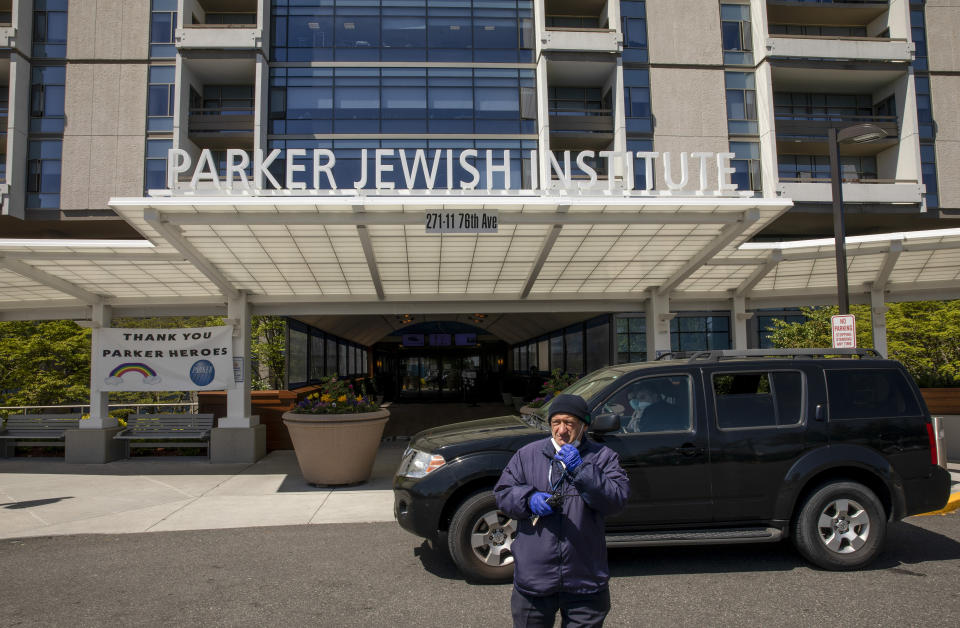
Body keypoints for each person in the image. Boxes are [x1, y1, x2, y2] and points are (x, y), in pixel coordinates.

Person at [494, 393, 630, 627]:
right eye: (556, 422)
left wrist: (583, 470)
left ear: (584, 426)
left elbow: (616, 500)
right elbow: (503, 493)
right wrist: (528, 499)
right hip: (535, 577)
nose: (562, 430)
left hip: (584, 577)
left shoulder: (603, 457)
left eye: (570, 423)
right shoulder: (527, 455)